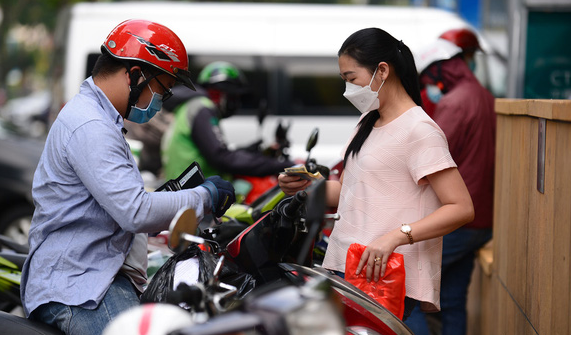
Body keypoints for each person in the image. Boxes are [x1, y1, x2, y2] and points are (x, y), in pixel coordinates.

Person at [20, 19, 235, 335]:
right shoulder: (91, 126)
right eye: (160, 89)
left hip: (92, 275)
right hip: (82, 288)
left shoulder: (99, 119)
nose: (160, 103)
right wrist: (204, 196)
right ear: (134, 74)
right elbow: (134, 211)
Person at [278, 27, 474, 321]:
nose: (347, 89)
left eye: (351, 78)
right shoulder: (367, 122)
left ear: (382, 71)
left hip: (384, 274)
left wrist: (396, 236)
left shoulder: (420, 130)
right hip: (345, 264)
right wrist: (309, 185)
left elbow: (461, 208)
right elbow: (348, 190)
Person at [404, 34, 496, 335]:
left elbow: (433, 160)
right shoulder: (483, 95)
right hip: (481, 220)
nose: (428, 83)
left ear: (443, 69)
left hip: (456, 221)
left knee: (409, 294)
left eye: (429, 76)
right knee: (454, 301)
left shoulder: (455, 103)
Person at [161, 61, 294, 182]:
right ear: (218, 92)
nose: (235, 102)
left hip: (189, 187)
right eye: (233, 96)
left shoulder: (191, 106)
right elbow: (222, 158)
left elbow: (212, 151)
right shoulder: (202, 108)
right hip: (197, 193)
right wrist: (279, 166)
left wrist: (249, 151)